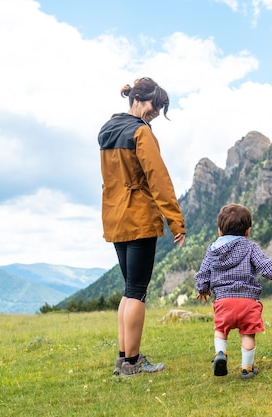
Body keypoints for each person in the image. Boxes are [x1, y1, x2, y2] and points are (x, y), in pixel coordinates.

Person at [98, 77, 186, 377]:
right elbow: (158, 178)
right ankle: (133, 362)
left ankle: (124, 359)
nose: (156, 113)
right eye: (154, 105)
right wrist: (175, 220)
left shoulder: (107, 130)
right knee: (137, 291)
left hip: (114, 217)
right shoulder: (140, 132)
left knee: (129, 290)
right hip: (138, 218)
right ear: (138, 99)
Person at [195, 203, 272, 380]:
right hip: (248, 301)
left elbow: (204, 272)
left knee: (221, 329)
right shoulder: (251, 247)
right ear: (248, 231)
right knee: (247, 333)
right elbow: (265, 267)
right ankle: (246, 368)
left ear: (220, 231)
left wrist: (203, 289)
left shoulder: (212, 250)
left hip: (223, 301)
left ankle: (221, 353)